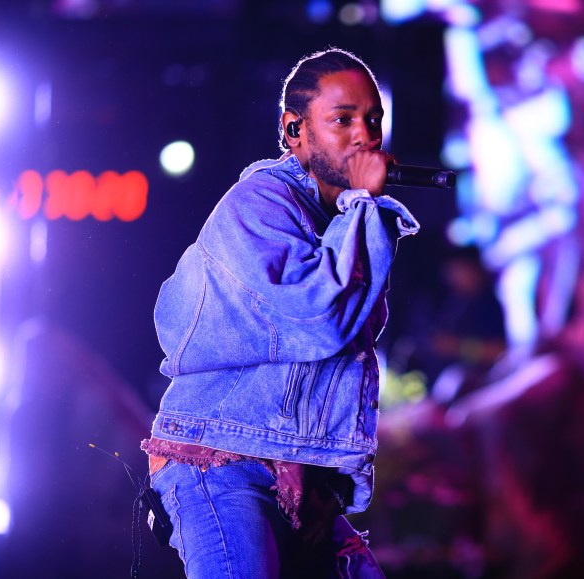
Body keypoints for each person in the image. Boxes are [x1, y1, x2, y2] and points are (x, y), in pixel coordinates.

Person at [141, 47, 419, 578]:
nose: (366, 134)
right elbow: (322, 318)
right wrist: (364, 202)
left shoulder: (341, 218)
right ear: (294, 130)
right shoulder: (257, 205)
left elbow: (335, 370)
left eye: (373, 119)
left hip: (294, 467)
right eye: (343, 119)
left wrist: (330, 479)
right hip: (218, 461)